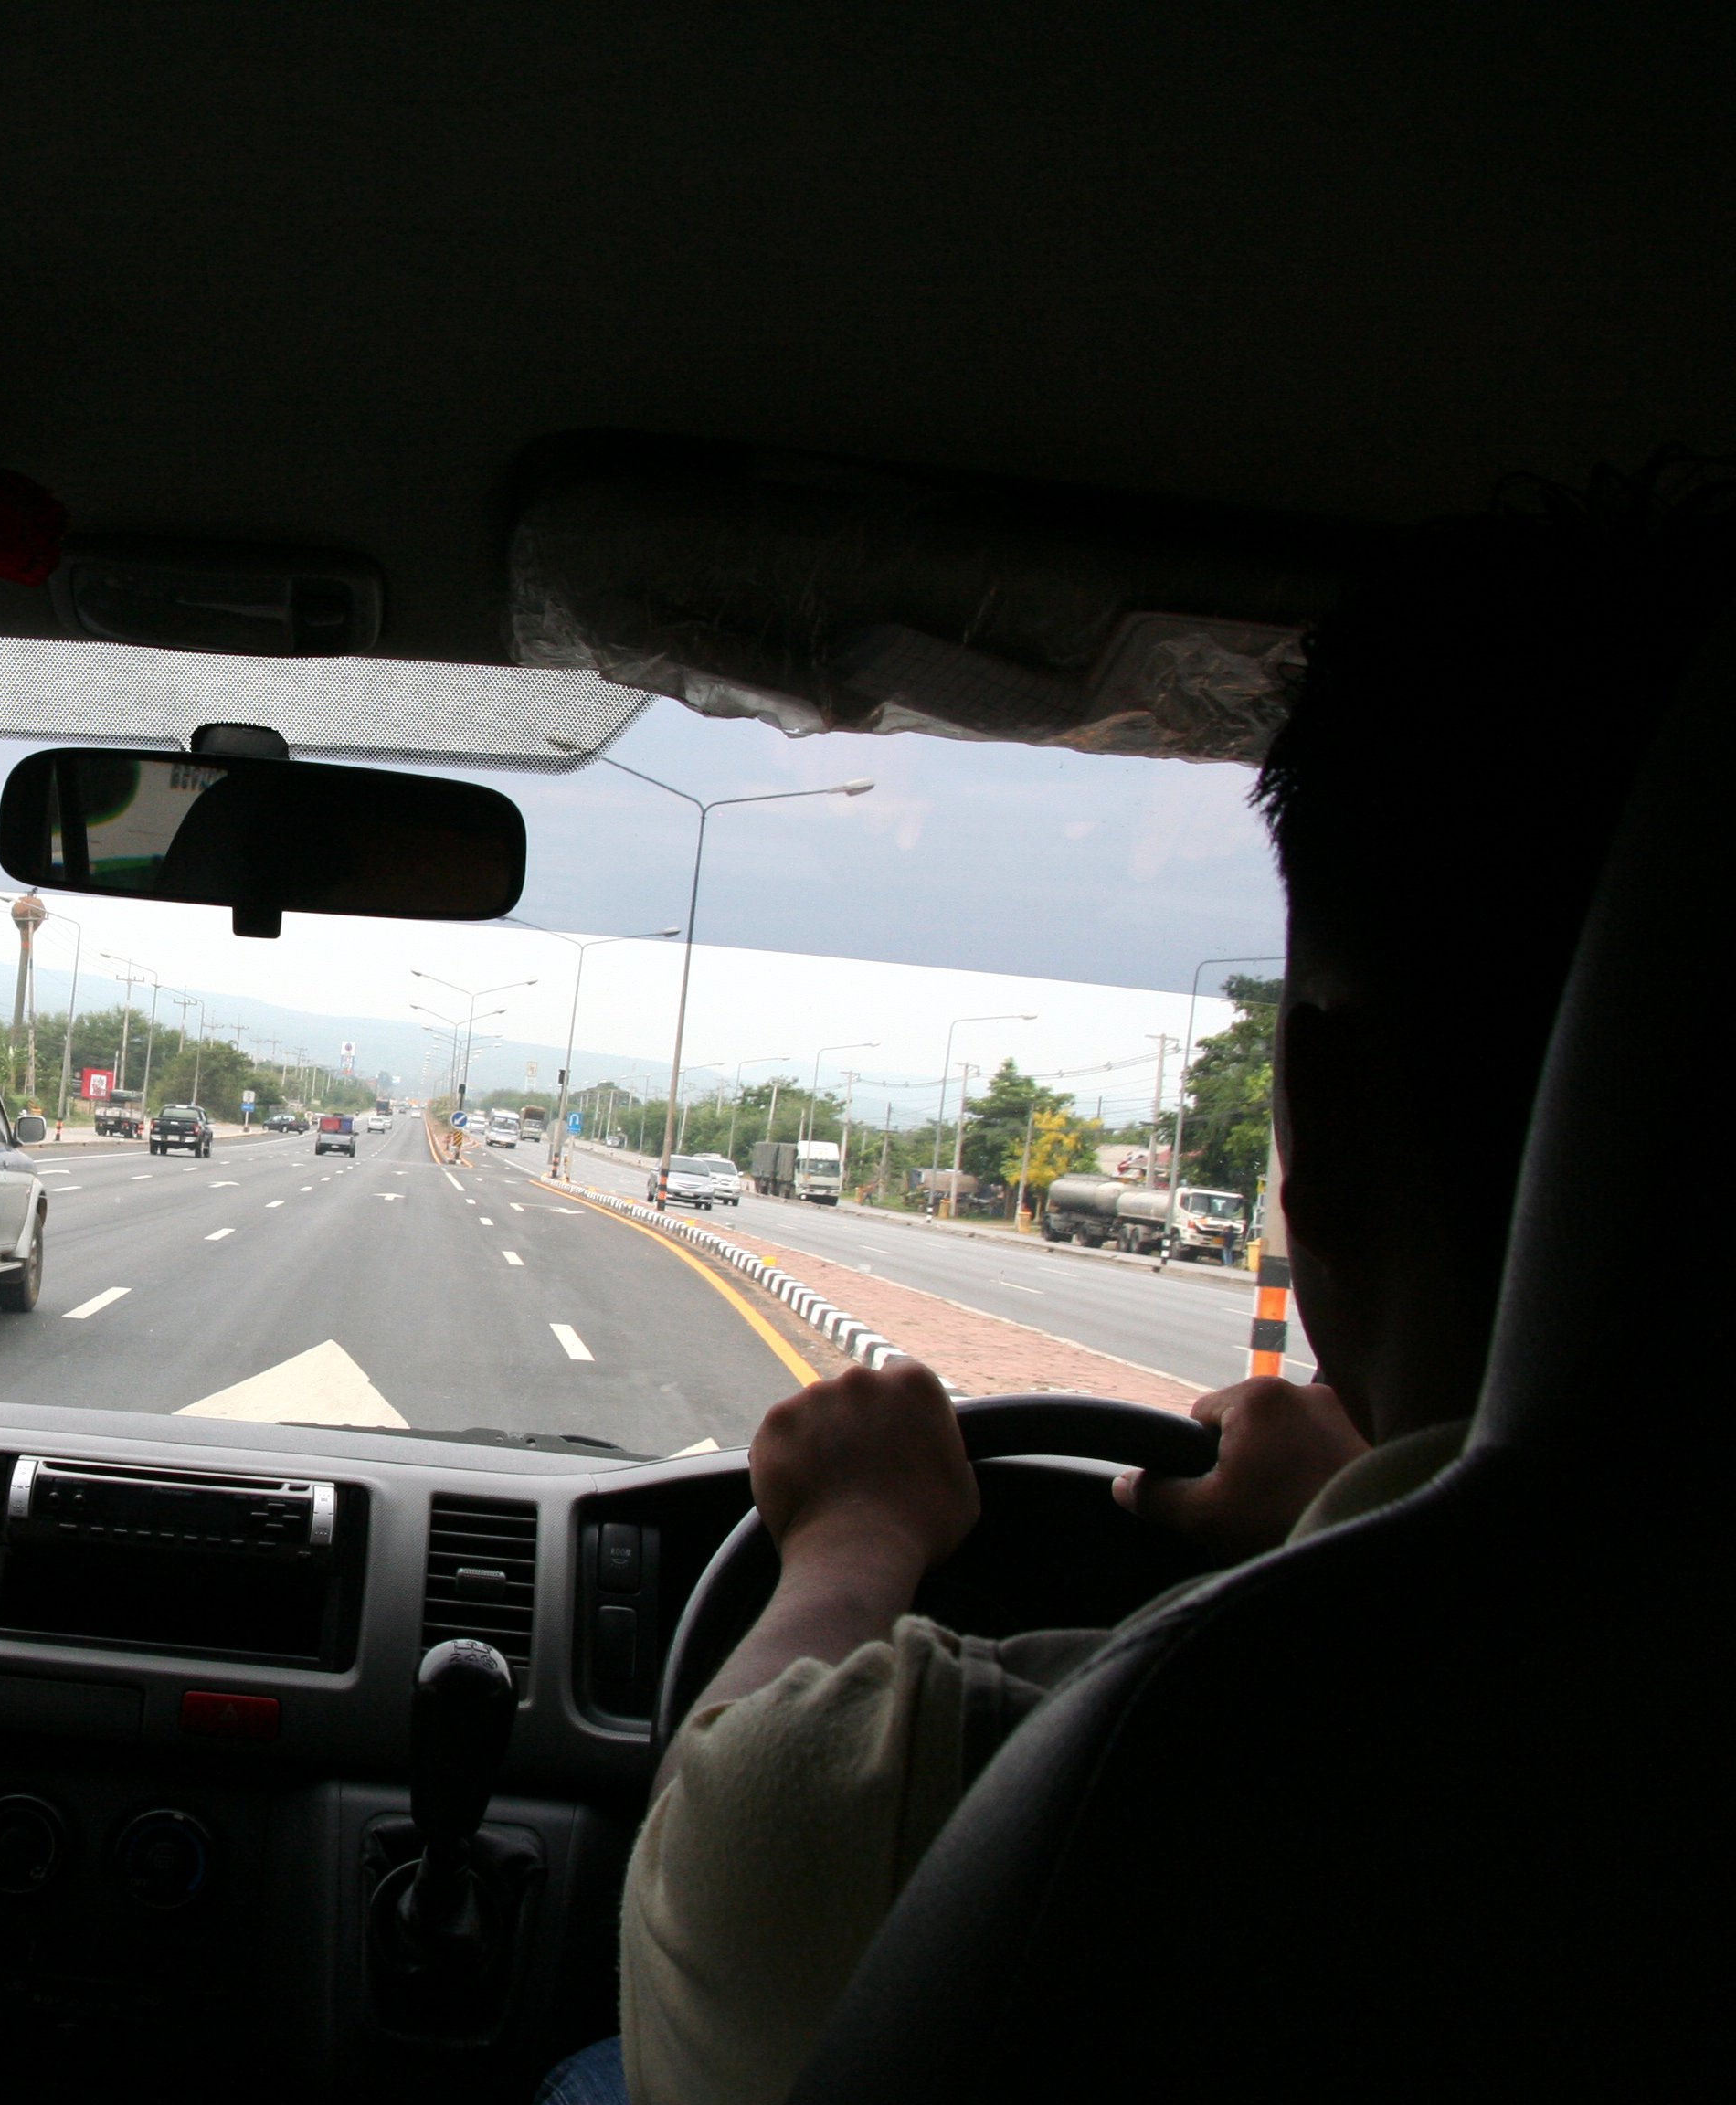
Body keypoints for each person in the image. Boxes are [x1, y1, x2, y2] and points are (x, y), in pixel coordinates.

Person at [547, 454, 1736, 2105]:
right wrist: (1353, 1524)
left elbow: (733, 1850)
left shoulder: (1165, 1762)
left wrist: (851, 1538)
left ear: (1325, 1131)